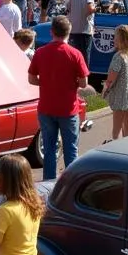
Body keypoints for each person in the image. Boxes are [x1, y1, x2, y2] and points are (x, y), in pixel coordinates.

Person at [27, 15, 89, 179]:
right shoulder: (75, 54)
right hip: (68, 109)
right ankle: (70, 183)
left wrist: (47, 82)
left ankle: (49, 183)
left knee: (49, 149)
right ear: (69, 32)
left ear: (51, 31)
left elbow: (31, 79)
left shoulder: (40, 52)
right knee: (71, 149)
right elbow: (83, 83)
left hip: (46, 108)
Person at [101, 24, 128, 140]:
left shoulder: (119, 56)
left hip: (121, 96)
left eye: (115, 37)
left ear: (120, 39)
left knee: (117, 127)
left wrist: (105, 90)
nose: (113, 39)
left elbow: (111, 79)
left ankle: (117, 150)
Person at [66, 0, 98, 66]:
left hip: (73, 29)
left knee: (73, 56)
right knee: (84, 57)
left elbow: (68, 8)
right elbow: (90, 9)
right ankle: (84, 78)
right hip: (84, 30)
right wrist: (97, 8)